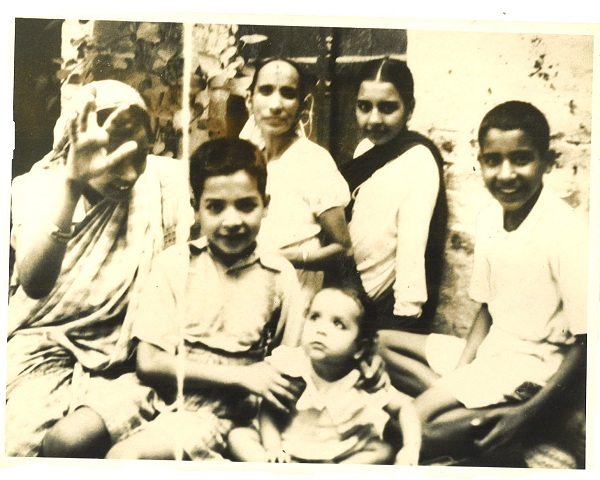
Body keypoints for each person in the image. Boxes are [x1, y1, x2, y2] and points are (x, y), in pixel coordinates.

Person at [382, 101, 588, 464]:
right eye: (493, 160)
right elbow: (487, 308)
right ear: (481, 162)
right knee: (377, 342)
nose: (506, 174)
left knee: (410, 427)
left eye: (521, 159)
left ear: (547, 161)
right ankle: (481, 410)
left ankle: (525, 415)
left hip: (534, 365)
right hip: (493, 353)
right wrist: (462, 373)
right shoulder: (490, 217)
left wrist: (526, 414)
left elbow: (589, 344)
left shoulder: (565, 232)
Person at [5, 80, 193, 457]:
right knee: (16, 447)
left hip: (136, 361)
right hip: (45, 351)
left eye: (137, 156)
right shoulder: (38, 188)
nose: (128, 175)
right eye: (112, 158)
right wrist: (72, 185)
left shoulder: (166, 182)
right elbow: (35, 283)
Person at [104, 137, 306, 460]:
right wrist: (243, 375)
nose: (232, 221)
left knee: (124, 458)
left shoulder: (279, 277)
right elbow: (149, 362)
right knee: (67, 440)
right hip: (153, 390)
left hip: (219, 407)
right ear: (195, 206)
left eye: (246, 205)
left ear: (265, 204)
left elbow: (287, 372)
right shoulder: (175, 264)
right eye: (215, 207)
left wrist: (268, 434)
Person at [338, 57, 448, 388]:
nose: (374, 119)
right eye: (364, 107)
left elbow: (413, 248)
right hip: (351, 291)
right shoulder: (364, 148)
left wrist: (402, 321)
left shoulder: (418, 160)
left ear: (409, 109)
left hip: (382, 306)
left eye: (388, 108)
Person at [228, 287, 422, 465]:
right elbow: (269, 411)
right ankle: (280, 471)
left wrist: (410, 448)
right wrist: (273, 448)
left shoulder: (364, 378)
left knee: (382, 450)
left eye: (338, 324)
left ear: (359, 347)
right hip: (287, 446)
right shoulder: (292, 365)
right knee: (239, 437)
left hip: (338, 451)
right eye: (314, 317)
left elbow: (404, 407)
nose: (320, 329)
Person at [241, 57, 355, 307]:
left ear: (302, 105)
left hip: (294, 296)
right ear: (249, 99)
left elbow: (343, 249)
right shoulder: (245, 157)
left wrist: (285, 257)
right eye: (266, 90)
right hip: (245, 292)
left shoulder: (314, 161)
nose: (276, 104)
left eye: (288, 93)